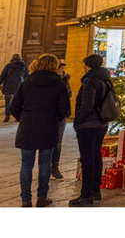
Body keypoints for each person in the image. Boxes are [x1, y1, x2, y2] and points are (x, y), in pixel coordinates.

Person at [8, 53, 70, 207]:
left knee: (26, 164)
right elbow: (64, 109)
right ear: (54, 66)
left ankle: (26, 200)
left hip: (28, 126)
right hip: (48, 127)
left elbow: (14, 107)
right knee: (45, 164)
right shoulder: (59, 84)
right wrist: (54, 119)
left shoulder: (26, 83)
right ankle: (42, 197)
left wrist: (25, 117)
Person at [69, 54, 113, 207]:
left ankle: (86, 195)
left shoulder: (90, 82)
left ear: (88, 66)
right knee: (95, 156)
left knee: (87, 160)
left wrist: (78, 119)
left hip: (88, 125)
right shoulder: (105, 79)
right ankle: (95, 190)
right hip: (102, 123)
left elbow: (87, 105)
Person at [50, 59, 73, 179]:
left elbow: (69, 95)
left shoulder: (65, 79)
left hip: (61, 116)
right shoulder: (50, 80)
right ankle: (46, 166)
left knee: (58, 143)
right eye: (59, 67)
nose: (61, 70)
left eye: (63, 68)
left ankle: (55, 167)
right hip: (48, 115)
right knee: (47, 143)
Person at [1, 53, 29, 122]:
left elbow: (3, 75)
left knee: (8, 101)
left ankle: (7, 115)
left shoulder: (8, 65)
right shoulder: (23, 65)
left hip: (9, 86)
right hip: (20, 85)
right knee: (19, 101)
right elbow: (27, 75)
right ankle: (17, 117)